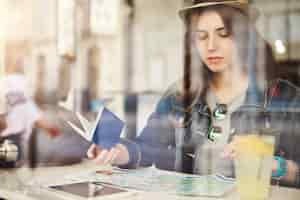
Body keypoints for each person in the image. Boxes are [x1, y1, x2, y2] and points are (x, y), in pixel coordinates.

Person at [87, 0, 300, 187]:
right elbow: (147, 146)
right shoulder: (180, 97)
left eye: (223, 34)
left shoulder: (283, 97)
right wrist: (118, 152)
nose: (211, 46)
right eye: (201, 37)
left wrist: (278, 167)